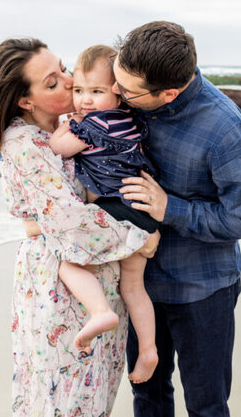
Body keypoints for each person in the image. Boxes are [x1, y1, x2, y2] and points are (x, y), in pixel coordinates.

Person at [0, 38, 154, 417]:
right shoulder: (26, 144)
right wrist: (141, 236)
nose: (73, 82)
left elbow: (66, 210)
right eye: (54, 81)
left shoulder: (62, 129)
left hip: (91, 285)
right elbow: (70, 227)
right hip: (63, 295)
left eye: (64, 69)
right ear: (24, 99)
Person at [109, 21, 241, 417]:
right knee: (147, 394)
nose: (117, 95)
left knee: (207, 408)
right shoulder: (130, 99)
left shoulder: (225, 130)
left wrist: (171, 209)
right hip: (140, 286)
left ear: (169, 94)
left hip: (203, 291)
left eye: (128, 92)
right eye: (116, 80)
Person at [49, 44, 159, 384]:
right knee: (133, 286)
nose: (85, 100)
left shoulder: (93, 126)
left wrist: (64, 125)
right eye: (79, 91)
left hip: (117, 208)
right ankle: (149, 350)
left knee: (68, 260)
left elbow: (58, 147)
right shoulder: (132, 121)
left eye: (96, 91)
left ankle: (99, 312)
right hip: (142, 210)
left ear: (117, 92)